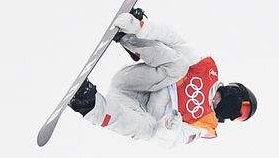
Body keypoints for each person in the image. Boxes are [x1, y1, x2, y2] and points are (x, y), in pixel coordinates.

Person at [68, 8, 256, 147]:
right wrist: (142, 27)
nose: (235, 114)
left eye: (240, 117)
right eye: (242, 109)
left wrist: (169, 129)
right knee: (179, 66)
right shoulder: (206, 71)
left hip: (133, 108)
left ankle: (89, 104)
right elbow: (173, 40)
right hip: (137, 81)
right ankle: (129, 35)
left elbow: (169, 142)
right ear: (234, 92)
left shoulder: (205, 124)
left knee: (150, 131)